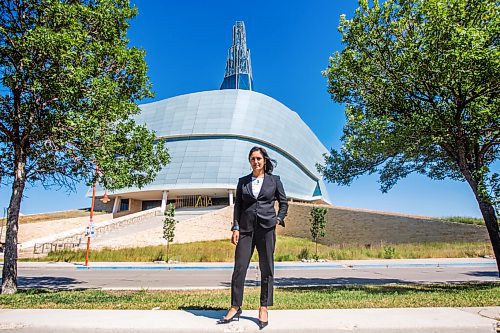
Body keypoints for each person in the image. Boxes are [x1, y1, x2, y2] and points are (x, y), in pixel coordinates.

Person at [218, 146, 288, 330]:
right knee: (239, 267)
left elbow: (284, 203)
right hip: (246, 230)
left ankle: (263, 307)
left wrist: (278, 219)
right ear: (250, 161)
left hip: (266, 229)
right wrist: (235, 227)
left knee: (267, 269)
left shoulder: (275, 181)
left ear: (264, 160)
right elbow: (238, 206)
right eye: (252, 159)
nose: (255, 162)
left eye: (258, 158)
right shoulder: (243, 182)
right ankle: (235, 306)